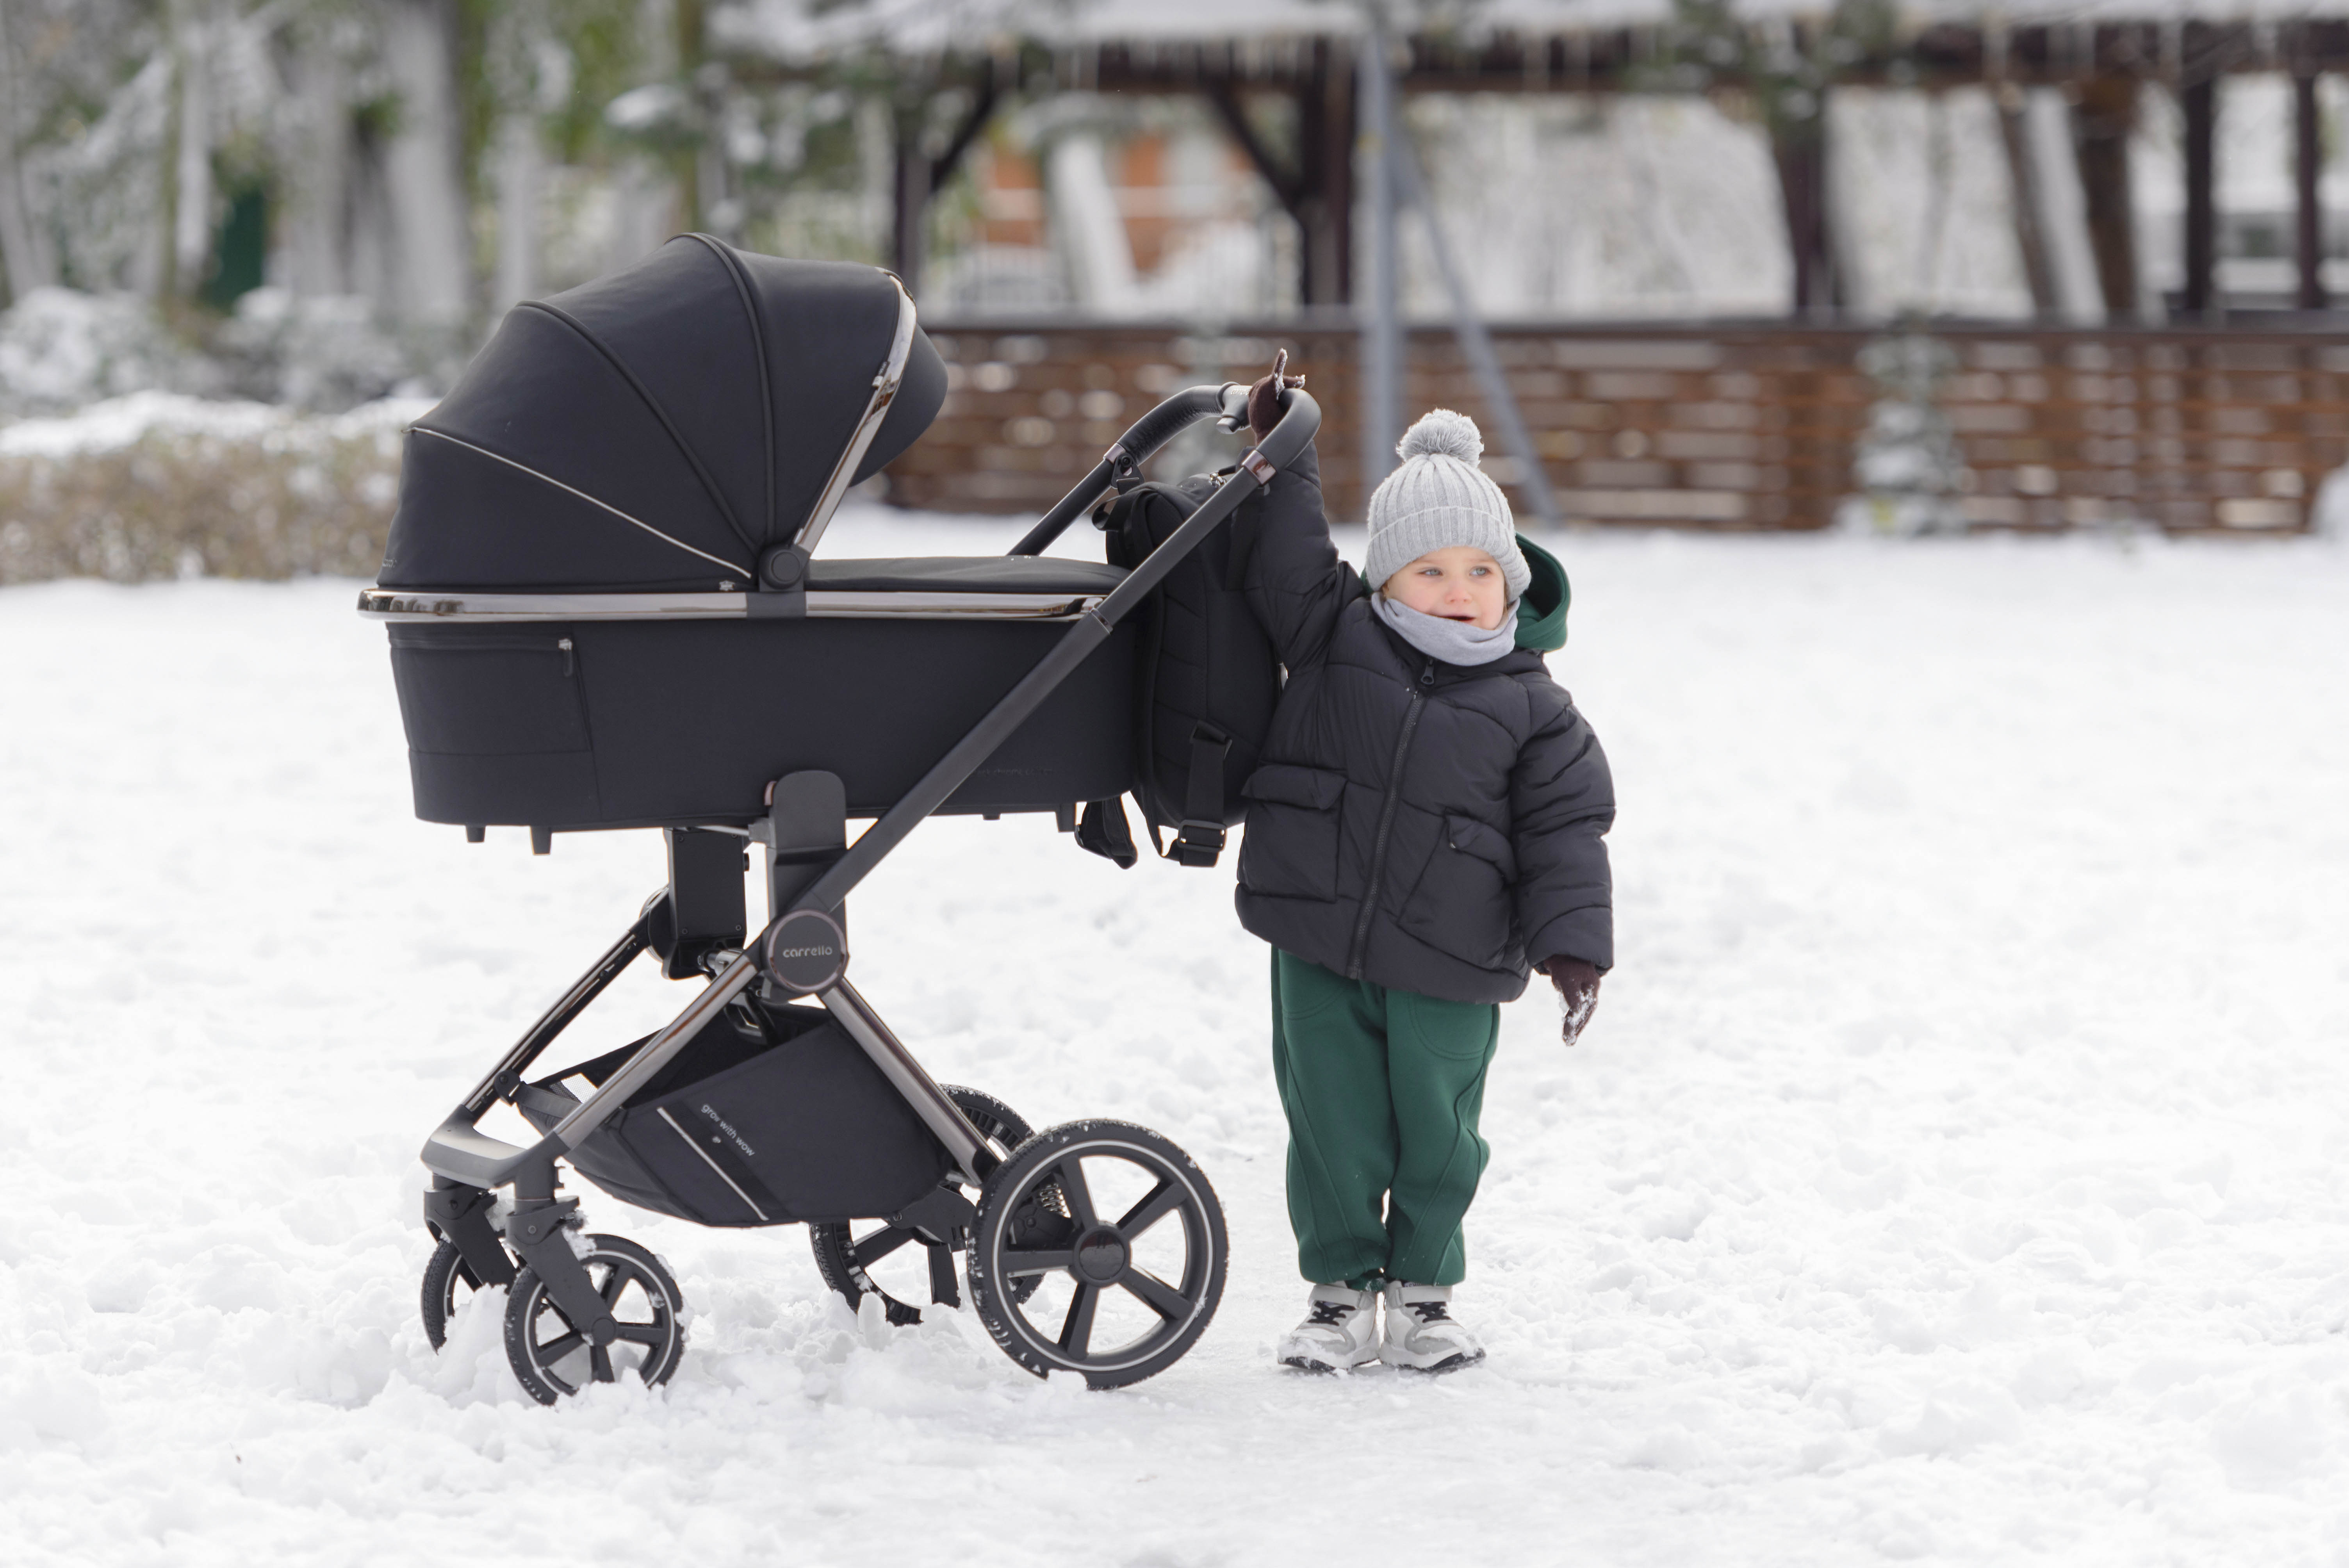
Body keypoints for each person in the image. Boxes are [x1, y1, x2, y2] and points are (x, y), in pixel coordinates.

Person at [1233, 381, 1614, 1373]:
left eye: (1481, 568)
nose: (1458, 586)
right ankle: (1336, 1294)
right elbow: (1285, 560)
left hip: (1452, 952)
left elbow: (1567, 828)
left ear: (1512, 580)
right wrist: (1286, 450)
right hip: (1320, 939)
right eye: (1429, 567)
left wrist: (1571, 946)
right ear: (1383, 579)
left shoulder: (1536, 710)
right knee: (1329, 1121)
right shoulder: (1332, 636)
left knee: (1439, 1134)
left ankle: (1424, 1292)